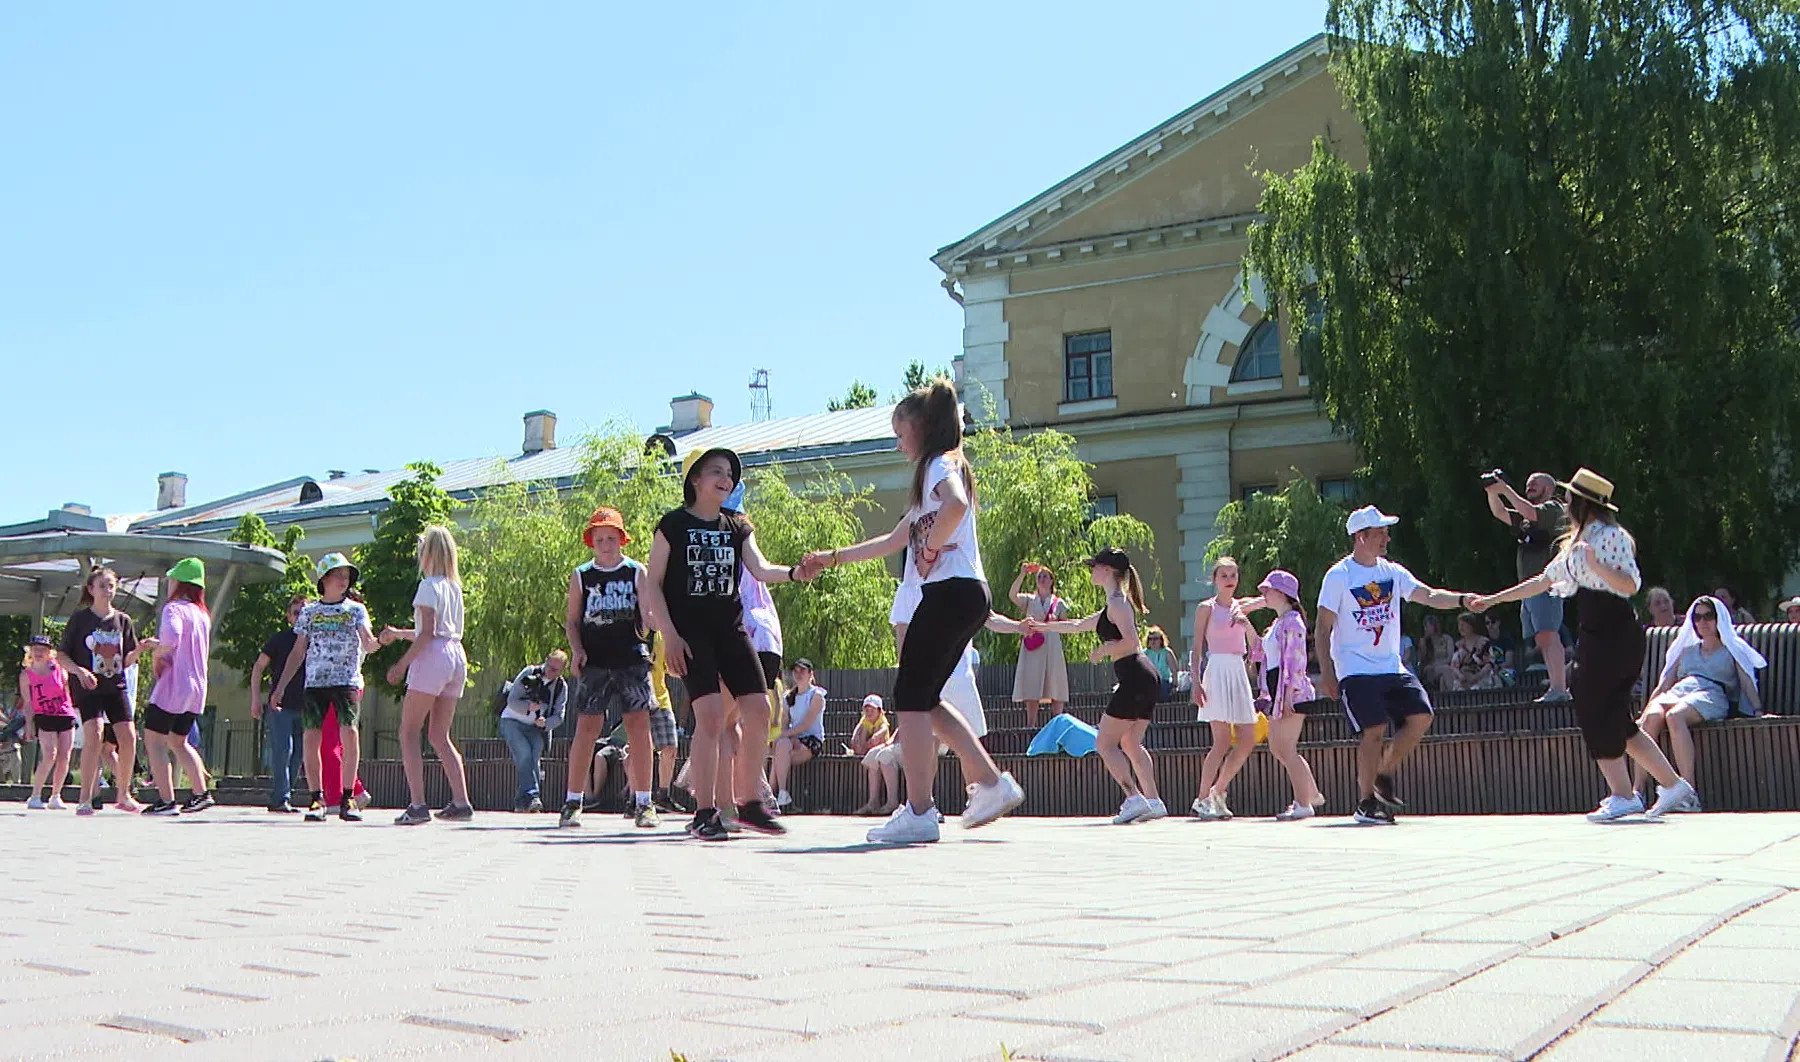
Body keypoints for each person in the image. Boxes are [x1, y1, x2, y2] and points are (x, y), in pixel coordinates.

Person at [805, 379, 1024, 844]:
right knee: (925, 699)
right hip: (968, 594)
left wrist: (930, 551)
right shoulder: (939, 471)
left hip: (951, 592)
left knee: (909, 696)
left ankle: (921, 811)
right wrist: (833, 557)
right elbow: (891, 541)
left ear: (922, 428)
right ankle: (990, 783)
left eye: (900, 433)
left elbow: (957, 508)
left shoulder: (937, 464)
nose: (897, 442)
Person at [1472, 469, 1697, 821]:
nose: (1565, 502)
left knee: (1592, 703)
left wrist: (1594, 564)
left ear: (1582, 503)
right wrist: (1493, 599)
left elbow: (1629, 584)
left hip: (1616, 631)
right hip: (1595, 633)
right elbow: (1542, 581)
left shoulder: (1611, 536)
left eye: (1570, 497)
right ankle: (1671, 786)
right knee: (1614, 717)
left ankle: (1624, 795)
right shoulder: (1574, 543)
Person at [644, 450, 817, 841]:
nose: (725, 479)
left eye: (730, 474)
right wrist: (669, 635)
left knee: (758, 710)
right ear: (695, 480)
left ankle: (750, 804)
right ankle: (705, 812)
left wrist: (795, 573)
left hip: (731, 630)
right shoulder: (672, 525)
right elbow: (653, 582)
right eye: (716, 472)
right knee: (709, 719)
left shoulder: (736, 525)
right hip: (691, 635)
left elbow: (760, 567)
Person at [1317, 507, 1482, 825]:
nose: (1387, 537)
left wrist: (1463, 599)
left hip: (1391, 667)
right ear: (1362, 536)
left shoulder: (1392, 572)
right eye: (1381, 532)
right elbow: (1323, 628)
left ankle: (1384, 771)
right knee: (1374, 729)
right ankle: (1365, 802)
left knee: (1421, 716)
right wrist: (1328, 674)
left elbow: (1429, 595)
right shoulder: (1340, 575)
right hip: (1355, 668)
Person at [1027, 548, 1167, 825]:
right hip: (1141, 677)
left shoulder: (1118, 604)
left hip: (1136, 674)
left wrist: (1102, 651)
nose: (1091, 571)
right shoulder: (1112, 605)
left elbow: (1131, 641)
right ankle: (1153, 801)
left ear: (1107, 571)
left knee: (1104, 743)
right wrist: (1042, 628)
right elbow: (1078, 625)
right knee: (1129, 742)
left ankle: (1134, 798)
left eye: (1094, 567)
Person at [562, 507, 666, 830]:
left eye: (611, 537)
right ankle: (572, 801)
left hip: (631, 659)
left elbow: (648, 613)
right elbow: (572, 621)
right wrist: (577, 650)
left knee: (638, 728)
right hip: (595, 662)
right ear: (591, 540)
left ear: (622, 539)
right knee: (587, 729)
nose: (605, 543)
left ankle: (644, 802)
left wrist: (660, 625)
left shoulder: (637, 571)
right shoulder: (582, 575)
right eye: (599, 537)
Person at [270, 553, 379, 823]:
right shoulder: (309, 612)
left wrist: (379, 642)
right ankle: (316, 798)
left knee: (349, 733)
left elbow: (367, 640)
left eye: (346, 575)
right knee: (311, 737)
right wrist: (280, 687)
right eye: (338, 574)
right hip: (316, 682)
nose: (344, 580)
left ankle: (347, 797)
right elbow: (298, 652)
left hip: (347, 681)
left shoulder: (356, 610)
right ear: (324, 579)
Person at [1634, 596, 1765, 811]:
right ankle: (1636, 793)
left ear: (1719, 619)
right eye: (1697, 617)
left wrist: (1758, 710)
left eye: (1708, 616)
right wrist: (1647, 708)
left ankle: (1688, 792)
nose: (1702, 622)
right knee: (1649, 720)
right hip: (1681, 690)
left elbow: (1746, 681)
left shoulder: (1731, 649)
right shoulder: (1686, 649)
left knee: (1675, 717)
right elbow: (1665, 683)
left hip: (1712, 693)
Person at [382, 526, 475, 825]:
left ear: (427, 553)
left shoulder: (427, 587)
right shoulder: (453, 587)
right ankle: (461, 802)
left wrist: (401, 665)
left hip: (432, 658)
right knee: (439, 735)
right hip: (456, 657)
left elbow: (427, 637)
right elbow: (438, 633)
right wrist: (399, 634)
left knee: (408, 732)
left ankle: (418, 805)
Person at [59, 566, 152, 814]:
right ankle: (85, 797)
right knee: (95, 733)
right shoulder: (80, 619)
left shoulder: (123, 620)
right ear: (91, 589)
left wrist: (141, 649)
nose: (108, 590)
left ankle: (124, 794)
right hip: (88, 686)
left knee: (129, 736)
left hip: (115, 685)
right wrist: (79, 672)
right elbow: (61, 655)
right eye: (102, 585)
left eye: (111, 585)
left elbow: (127, 659)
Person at [1484, 471, 1571, 703]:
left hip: (1546, 584)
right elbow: (1500, 512)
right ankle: (1556, 687)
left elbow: (1530, 512)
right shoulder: (1525, 517)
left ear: (1549, 489)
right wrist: (1492, 492)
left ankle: (1560, 689)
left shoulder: (1554, 508)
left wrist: (1505, 489)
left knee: (1549, 634)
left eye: (1535, 484)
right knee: (1542, 638)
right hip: (1527, 587)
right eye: (1527, 484)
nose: (1529, 487)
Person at [1189, 557, 1261, 820]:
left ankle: (1218, 790)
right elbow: (1197, 647)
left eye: (1233, 575)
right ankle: (1202, 799)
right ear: (1215, 580)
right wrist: (1195, 681)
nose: (1230, 580)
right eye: (1224, 576)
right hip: (1217, 669)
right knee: (1220, 741)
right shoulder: (1206, 608)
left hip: (1238, 670)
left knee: (1247, 738)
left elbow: (1268, 597)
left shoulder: (1240, 607)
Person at [143, 558, 215, 816]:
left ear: (179, 582)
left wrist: (156, 652)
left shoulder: (173, 608)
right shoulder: (202, 614)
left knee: (154, 740)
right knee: (179, 741)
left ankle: (166, 799)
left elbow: (171, 638)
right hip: (197, 688)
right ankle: (200, 793)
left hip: (175, 685)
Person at [1253, 571, 1326, 820]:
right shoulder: (1277, 623)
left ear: (1282, 593)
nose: (1264, 594)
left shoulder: (1293, 621)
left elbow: (1295, 662)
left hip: (1292, 692)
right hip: (1277, 691)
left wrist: (1287, 697)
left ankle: (1303, 802)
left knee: (1285, 747)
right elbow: (1261, 654)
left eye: (1269, 590)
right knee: (1278, 746)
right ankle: (1309, 793)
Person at [250, 594, 311, 813]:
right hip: (281, 705)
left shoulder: (316, 640)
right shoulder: (280, 639)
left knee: (299, 755)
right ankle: (280, 797)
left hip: (307, 706)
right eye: (296, 612)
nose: (300, 616)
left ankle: (285, 795)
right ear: (288, 617)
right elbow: (258, 667)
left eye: (305, 611)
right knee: (283, 750)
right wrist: (256, 698)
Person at [498, 650, 570, 812]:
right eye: (549, 667)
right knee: (524, 754)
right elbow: (512, 700)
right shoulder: (530, 673)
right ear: (546, 661)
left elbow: (559, 716)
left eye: (555, 670)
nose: (550, 672)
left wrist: (546, 723)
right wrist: (528, 707)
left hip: (536, 729)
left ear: (562, 670)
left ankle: (522, 801)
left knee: (533, 761)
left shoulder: (560, 687)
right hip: (512, 721)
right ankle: (533, 796)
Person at [1009, 563, 1069, 728]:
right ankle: (1031, 725)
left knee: (1056, 684)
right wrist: (1022, 574)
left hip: (1052, 646)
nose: (1042, 579)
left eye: (1045, 576)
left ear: (1051, 581)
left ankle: (1058, 724)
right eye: (1039, 577)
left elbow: (1066, 626)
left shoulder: (1059, 603)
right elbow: (1012, 595)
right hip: (1034, 646)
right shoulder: (1029, 600)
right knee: (1032, 684)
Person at [21, 635, 77, 810]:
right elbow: (28, 703)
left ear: (49, 652)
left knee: (64, 756)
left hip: (64, 713)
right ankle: (36, 795)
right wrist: (29, 726)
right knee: (49, 754)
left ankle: (56, 795)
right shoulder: (26, 674)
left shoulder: (59, 669)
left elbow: (67, 688)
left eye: (43, 649)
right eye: (35, 649)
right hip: (44, 715)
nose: (38, 653)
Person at [768, 659, 826, 810]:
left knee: (778, 758)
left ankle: (769, 794)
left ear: (810, 674)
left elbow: (806, 724)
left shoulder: (817, 695)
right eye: (796, 671)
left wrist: (783, 735)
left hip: (812, 740)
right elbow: (785, 722)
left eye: (803, 671)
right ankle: (781, 793)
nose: (799, 674)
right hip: (794, 739)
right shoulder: (788, 697)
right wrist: (782, 736)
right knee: (782, 746)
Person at [851, 694, 898, 816]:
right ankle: (873, 802)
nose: (869, 713)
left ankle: (890, 802)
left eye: (872, 710)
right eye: (866, 710)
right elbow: (858, 728)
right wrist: (856, 739)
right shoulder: (865, 720)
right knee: (866, 741)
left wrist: (876, 737)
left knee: (879, 748)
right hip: (871, 746)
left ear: (880, 711)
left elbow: (883, 729)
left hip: (882, 742)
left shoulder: (882, 720)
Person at [1449, 614, 1501, 691]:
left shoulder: (1483, 642)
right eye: (1459, 625)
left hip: (1482, 678)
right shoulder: (1458, 645)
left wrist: (1476, 677)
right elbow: (1454, 666)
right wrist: (1460, 676)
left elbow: (1490, 663)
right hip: (1464, 680)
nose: (1460, 628)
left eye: (1463, 625)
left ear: (1471, 626)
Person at [1414, 614, 1455, 692]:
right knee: (1446, 670)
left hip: (1445, 666)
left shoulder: (1447, 639)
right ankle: (1455, 695)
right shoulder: (1424, 641)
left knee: (1443, 678)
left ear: (1435, 626)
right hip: (1430, 669)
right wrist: (1423, 644)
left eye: (1428, 626)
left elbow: (1450, 657)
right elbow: (1421, 661)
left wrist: (1440, 665)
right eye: (1425, 626)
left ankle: (1446, 701)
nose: (1426, 629)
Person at [1142, 626, 1178, 701]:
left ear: (1161, 640)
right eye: (1150, 639)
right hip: (1148, 683)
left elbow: (1174, 670)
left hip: (1163, 682)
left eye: (1155, 639)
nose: (1153, 641)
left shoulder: (1167, 652)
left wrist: (1175, 686)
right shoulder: (1144, 653)